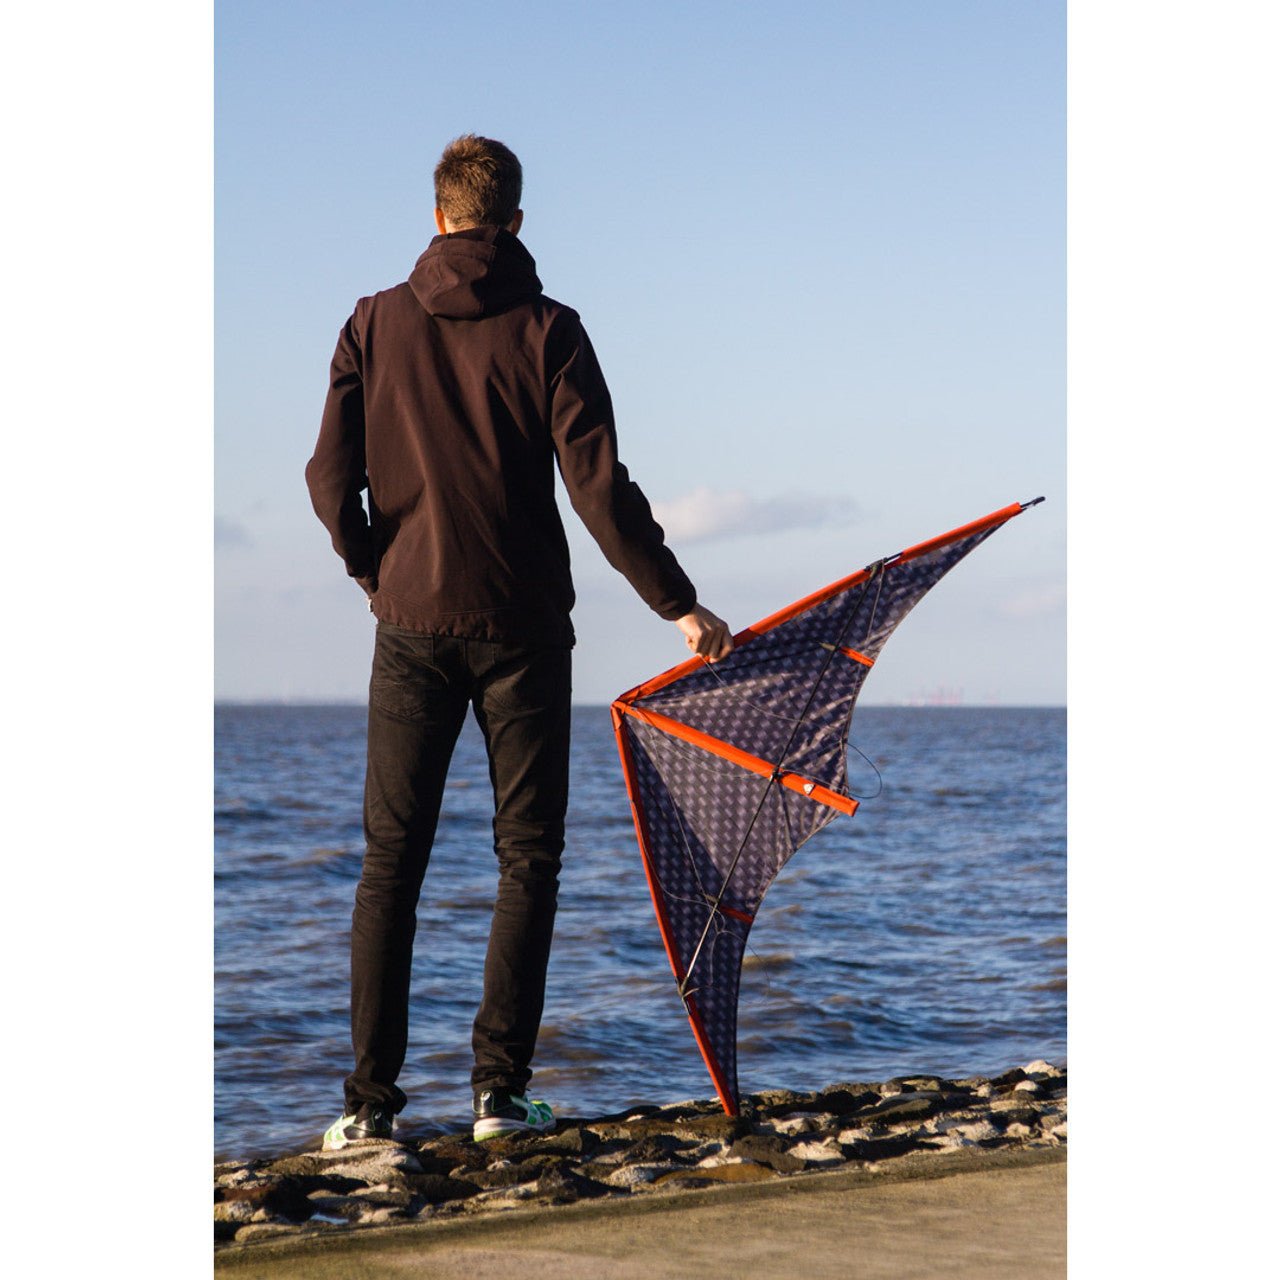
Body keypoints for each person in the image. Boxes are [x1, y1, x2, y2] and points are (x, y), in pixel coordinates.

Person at [306, 134, 732, 1147]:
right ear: (516, 221)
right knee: (527, 859)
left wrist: (374, 571)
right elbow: (598, 488)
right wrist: (676, 603)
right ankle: (498, 1097)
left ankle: (368, 1108)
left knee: (390, 865)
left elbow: (328, 477)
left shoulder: (372, 321)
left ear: (438, 216)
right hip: (524, 629)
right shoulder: (551, 330)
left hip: (410, 623)